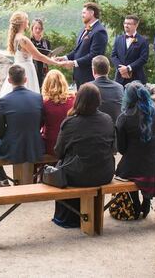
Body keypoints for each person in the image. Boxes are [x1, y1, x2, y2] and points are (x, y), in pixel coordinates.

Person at [51, 84, 115, 228]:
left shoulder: (70, 123)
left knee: (62, 167)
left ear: (78, 99)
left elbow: (58, 151)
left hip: (77, 176)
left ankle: (69, 217)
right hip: (105, 173)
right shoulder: (107, 120)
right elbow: (113, 148)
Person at [115, 82, 155, 219]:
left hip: (134, 166)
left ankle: (135, 203)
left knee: (129, 169)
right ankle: (146, 201)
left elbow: (121, 148)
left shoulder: (123, 118)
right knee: (138, 165)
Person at [0, 65, 45, 186]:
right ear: (25, 80)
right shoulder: (38, 97)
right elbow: (41, 122)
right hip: (34, 144)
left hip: (13, 146)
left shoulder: (3, 101)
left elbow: (0, 130)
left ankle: (3, 179)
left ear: (9, 80)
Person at [0, 12, 60, 98]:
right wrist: (57, 63)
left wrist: (50, 59)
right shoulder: (24, 40)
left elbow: (34, 56)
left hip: (17, 68)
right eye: (26, 19)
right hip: (26, 70)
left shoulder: (15, 37)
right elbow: (39, 56)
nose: (28, 21)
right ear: (22, 22)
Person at [55, 2, 108, 87]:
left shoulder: (99, 31)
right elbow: (77, 51)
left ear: (92, 13)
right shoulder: (84, 29)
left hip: (89, 77)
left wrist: (74, 63)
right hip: (79, 76)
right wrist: (65, 58)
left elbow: (94, 55)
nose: (82, 15)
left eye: (84, 13)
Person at [40, 70, 75, 156]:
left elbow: (39, 124)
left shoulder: (44, 103)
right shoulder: (73, 100)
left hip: (51, 144)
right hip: (70, 144)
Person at [110, 15, 149, 85]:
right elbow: (113, 56)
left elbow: (143, 58)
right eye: (125, 23)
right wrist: (122, 69)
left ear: (136, 25)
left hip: (136, 78)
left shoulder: (143, 40)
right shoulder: (118, 39)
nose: (126, 25)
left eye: (129, 24)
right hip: (119, 77)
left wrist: (128, 68)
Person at [90, 55, 124, 124]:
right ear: (109, 69)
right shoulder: (119, 87)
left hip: (95, 126)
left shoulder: (87, 88)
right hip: (115, 127)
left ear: (93, 70)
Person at [30, 18, 52, 86]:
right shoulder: (29, 42)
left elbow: (49, 56)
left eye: (40, 28)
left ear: (42, 30)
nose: (38, 30)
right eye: (36, 28)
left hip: (44, 70)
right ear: (32, 29)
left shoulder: (47, 42)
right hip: (33, 70)